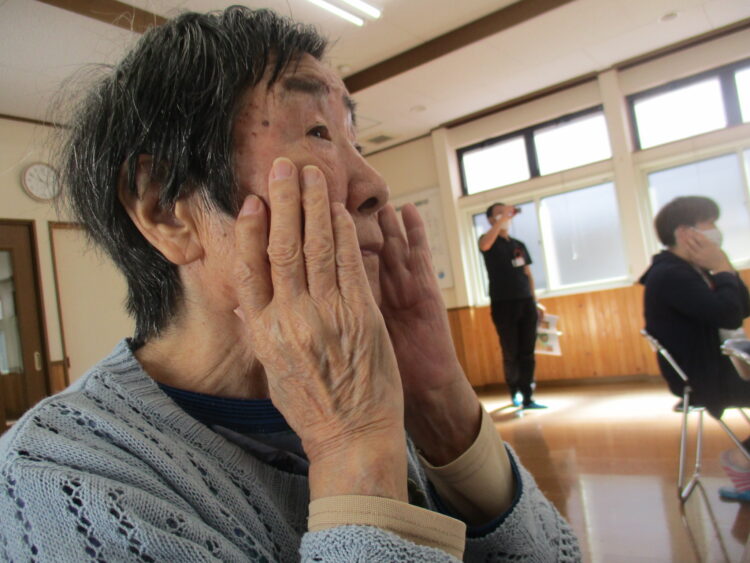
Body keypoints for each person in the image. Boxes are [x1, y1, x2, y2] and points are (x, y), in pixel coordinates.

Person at [0, 7, 580, 561]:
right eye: (319, 132)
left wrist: (440, 405)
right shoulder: (55, 479)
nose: (375, 184)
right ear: (166, 208)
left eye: (357, 142)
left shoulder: (381, 389)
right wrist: (352, 445)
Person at [640, 195, 750, 500]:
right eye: (709, 223)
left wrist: (724, 267)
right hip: (706, 378)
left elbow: (743, 307)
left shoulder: (688, 269)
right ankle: (742, 460)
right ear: (684, 232)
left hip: (717, 368)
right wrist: (722, 268)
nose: (715, 230)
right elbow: (728, 314)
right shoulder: (671, 275)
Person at [479, 203, 546, 409]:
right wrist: (501, 219)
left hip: (526, 302)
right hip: (503, 304)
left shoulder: (518, 245)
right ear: (491, 219)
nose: (505, 215)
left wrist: (535, 301)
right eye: (499, 212)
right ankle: (514, 390)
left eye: (506, 212)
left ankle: (528, 396)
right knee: (511, 351)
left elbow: (527, 273)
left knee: (528, 351)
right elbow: (485, 245)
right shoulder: (487, 240)